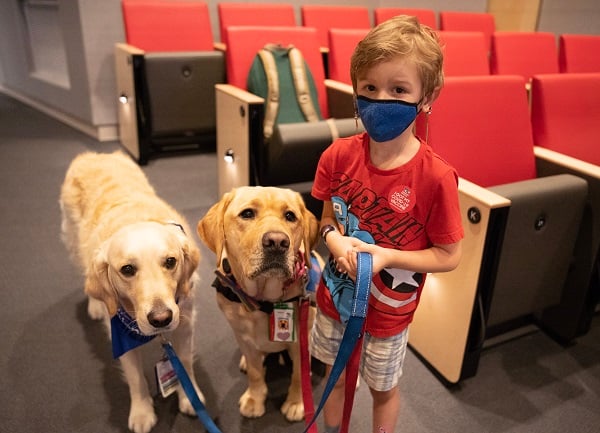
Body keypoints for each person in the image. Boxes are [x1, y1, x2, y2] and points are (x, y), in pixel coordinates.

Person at [309, 15, 464, 433]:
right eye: (370, 89)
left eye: (398, 90)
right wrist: (333, 242)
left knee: (383, 391)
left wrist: (387, 256)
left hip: (387, 317)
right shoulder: (338, 156)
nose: (381, 101)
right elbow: (325, 218)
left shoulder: (434, 177)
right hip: (334, 299)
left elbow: (449, 255)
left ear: (426, 96)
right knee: (335, 377)